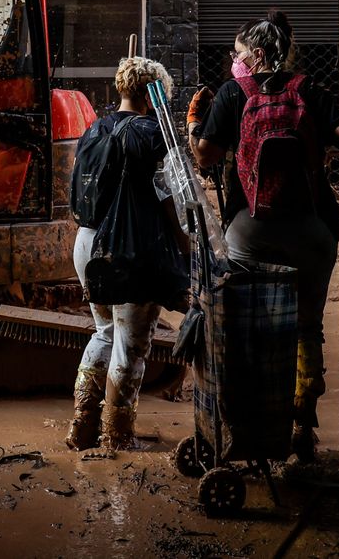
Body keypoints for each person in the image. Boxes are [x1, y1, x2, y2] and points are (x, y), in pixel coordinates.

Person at [187, 11, 339, 462]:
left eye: (239, 54)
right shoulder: (307, 89)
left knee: (247, 325)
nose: (235, 61)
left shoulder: (232, 93)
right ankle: (301, 426)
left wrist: (194, 124)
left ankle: (250, 424)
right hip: (311, 229)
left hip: (248, 230)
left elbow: (205, 157)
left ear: (258, 54)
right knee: (307, 327)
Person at [66, 56, 191, 452]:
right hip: (129, 248)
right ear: (152, 95)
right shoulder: (153, 134)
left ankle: (82, 425)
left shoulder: (94, 129)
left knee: (105, 332)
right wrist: (187, 248)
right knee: (131, 343)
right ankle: (118, 435)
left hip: (88, 244)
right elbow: (172, 199)